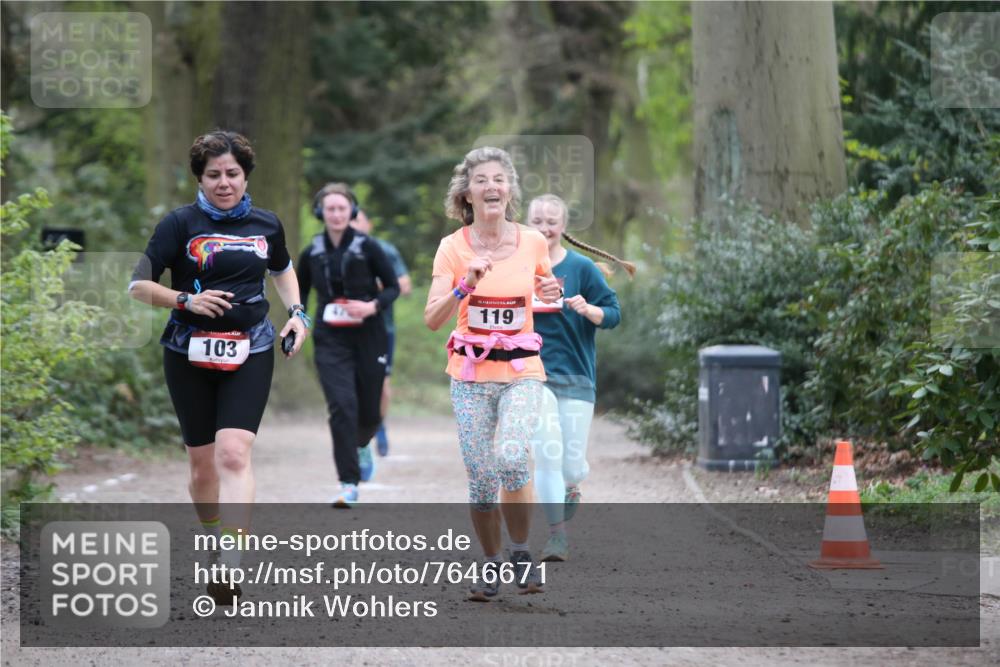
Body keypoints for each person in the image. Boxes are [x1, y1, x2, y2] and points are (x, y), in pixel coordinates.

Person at [128, 130, 309, 603]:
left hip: (251, 347)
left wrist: (297, 313)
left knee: (234, 453)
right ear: (200, 178)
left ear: (246, 175)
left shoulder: (267, 224)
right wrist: (186, 297)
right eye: (214, 175)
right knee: (202, 464)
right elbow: (138, 287)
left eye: (232, 173)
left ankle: (231, 560)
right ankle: (213, 537)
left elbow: (282, 268)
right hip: (188, 351)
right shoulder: (179, 224)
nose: (224, 183)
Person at [425, 146, 562, 601]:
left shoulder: (533, 241)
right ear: (466, 192)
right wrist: (466, 283)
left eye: (499, 179)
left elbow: (545, 288)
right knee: (482, 476)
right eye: (481, 179)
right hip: (469, 376)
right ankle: (490, 563)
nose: (491, 187)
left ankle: (521, 552)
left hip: (522, 370)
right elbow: (432, 318)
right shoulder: (452, 248)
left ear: (510, 190)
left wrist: (550, 289)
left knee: (510, 456)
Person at [526, 194, 632, 562]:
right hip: (531, 376)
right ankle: (557, 536)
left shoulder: (582, 268)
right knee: (547, 453)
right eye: (537, 220)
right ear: (527, 224)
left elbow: (615, 314)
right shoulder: (517, 266)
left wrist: (588, 309)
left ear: (563, 226)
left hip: (576, 375)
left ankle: (574, 482)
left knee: (570, 464)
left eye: (551, 221)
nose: (544, 227)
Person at [297, 183, 399, 508]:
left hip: (370, 335)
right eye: (331, 209)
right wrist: (297, 324)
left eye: (342, 208)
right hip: (330, 339)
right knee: (342, 406)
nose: (337, 214)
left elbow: (393, 288)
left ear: (351, 212)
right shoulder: (311, 252)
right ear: (321, 213)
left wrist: (371, 307)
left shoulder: (369, 247)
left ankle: (364, 443)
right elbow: (298, 296)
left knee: (369, 409)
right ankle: (348, 484)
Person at [350, 210, 412, 459]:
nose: (353, 224)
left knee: (382, 387)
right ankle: (359, 436)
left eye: (358, 219)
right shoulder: (335, 250)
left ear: (369, 224)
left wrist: (368, 285)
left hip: (381, 330)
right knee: (350, 386)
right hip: (344, 331)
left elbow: (404, 285)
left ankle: (377, 427)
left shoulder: (385, 250)